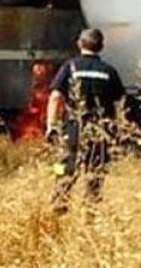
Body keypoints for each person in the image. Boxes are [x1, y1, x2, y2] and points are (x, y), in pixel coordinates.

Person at [45, 28, 125, 214]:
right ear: (101, 47)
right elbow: (119, 103)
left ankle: (58, 206)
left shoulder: (69, 67)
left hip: (72, 130)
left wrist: (51, 125)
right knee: (95, 173)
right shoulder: (109, 71)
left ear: (79, 44)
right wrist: (117, 129)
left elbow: (56, 97)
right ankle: (91, 212)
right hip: (100, 132)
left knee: (62, 167)